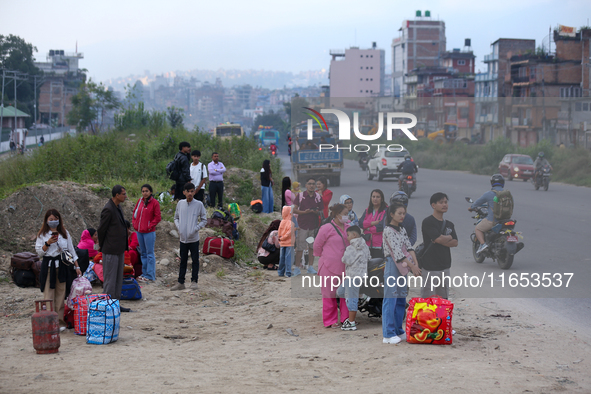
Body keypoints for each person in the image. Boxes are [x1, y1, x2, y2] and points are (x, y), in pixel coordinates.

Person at [35, 209, 81, 330]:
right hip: (48, 266)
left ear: (59, 220)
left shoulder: (64, 233)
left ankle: (60, 322)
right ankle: (49, 322)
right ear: (46, 220)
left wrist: (77, 266)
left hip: (62, 266)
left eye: (56, 219)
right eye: (51, 220)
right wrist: (48, 243)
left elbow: (71, 250)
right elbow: (39, 252)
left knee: (61, 294)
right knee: (48, 294)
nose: (53, 222)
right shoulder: (42, 234)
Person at [381, 203, 421, 344]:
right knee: (390, 298)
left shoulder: (402, 229)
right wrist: (413, 266)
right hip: (393, 264)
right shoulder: (388, 230)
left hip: (404, 266)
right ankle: (388, 333)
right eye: (399, 213)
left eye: (403, 213)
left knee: (401, 298)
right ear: (391, 214)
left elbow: (409, 247)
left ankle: (398, 329)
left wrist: (415, 264)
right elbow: (397, 253)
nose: (402, 216)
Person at [314, 203, 350, 328]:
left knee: (346, 293)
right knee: (329, 294)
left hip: (346, 267)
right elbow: (317, 246)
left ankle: (346, 319)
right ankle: (330, 320)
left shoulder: (349, 227)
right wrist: (325, 256)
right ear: (337, 214)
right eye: (345, 214)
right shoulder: (326, 228)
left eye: (347, 214)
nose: (347, 216)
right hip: (328, 266)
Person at [97, 185, 131, 312]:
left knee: (117, 278)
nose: (125, 196)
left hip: (119, 248)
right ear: (117, 195)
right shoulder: (108, 209)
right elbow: (101, 229)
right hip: (110, 249)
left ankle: (115, 303)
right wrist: (103, 244)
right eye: (123, 194)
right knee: (110, 279)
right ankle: (107, 304)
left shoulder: (117, 207)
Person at [421, 192, 458, 299]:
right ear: (433, 205)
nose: (444, 205)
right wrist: (448, 237)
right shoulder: (428, 222)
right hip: (430, 267)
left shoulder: (449, 224)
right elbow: (438, 239)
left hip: (445, 266)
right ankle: (428, 316)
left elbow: (455, 242)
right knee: (428, 298)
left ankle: (440, 316)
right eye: (441, 202)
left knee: (443, 299)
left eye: (446, 202)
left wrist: (442, 239)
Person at [172, 183, 207, 291]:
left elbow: (204, 220)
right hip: (183, 238)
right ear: (184, 192)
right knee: (183, 260)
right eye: (188, 191)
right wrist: (179, 227)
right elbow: (176, 218)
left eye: (192, 191)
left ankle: (194, 281)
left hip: (193, 238)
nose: (190, 193)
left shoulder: (199, 204)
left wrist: (195, 228)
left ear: (194, 192)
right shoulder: (180, 204)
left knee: (195, 260)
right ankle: (181, 282)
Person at [336, 225, 370, 331]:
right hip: (360, 276)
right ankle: (363, 296)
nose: (347, 237)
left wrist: (342, 257)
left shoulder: (350, 248)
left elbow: (346, 260)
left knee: (351, 300)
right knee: (341, 292)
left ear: (354, 234)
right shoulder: (365, 246)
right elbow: (369, 258)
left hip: (352, 277)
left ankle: (351, 323)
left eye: (348, 234)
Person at [293, 177, 323, 276]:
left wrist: (315, 212)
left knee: (311, 247)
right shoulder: (300, 196)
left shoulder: (318, 197)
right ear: (306, 185)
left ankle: (310, 267)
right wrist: (304, 212)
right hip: (302, 226)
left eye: (313, 184)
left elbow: (321, 211)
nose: (311, 185)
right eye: (309, 184)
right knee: (300, 247)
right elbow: (294, 210)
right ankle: (297, 268)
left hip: (313, 227)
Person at [132, 184, 161, 283]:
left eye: (147, 191)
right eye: (143, 191)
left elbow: (157, 217)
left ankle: (150, 275)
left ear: (151, 192)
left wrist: (150, 226)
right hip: (139, 231)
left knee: (149, 253)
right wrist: (135, 224)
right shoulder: (140, 201)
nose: (145, 193)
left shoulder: (155, 203)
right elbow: (134, 214)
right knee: (143, 253)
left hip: (149, 232)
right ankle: (144, 273)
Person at [469, 174, 505, 254]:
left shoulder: (489, 194)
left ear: (492, 183)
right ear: (503, 183)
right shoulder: (508, 194)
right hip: (505, 220)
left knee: (478, 229)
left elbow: (476, 203)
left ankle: (483, 244)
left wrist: (471, 208)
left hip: (493, 221)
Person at [359, 189, 388, 258]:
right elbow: (360, 223)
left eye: (378, 197)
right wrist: (372, 223)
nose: (375, 199)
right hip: (367, 244)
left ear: (382, 199)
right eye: (373, 196)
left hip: (379, 246)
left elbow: (380, 227)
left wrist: (367, 228)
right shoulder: (367, 210)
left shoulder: (386, 210)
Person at [277, 206, 295, 277]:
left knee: (282, 258)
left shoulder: (282, 222)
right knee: (288, 258)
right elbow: (289, 233)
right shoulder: (291, 223)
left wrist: (280, 238)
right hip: (289, 243)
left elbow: (279, 232)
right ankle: (288, 273)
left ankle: (280, 272)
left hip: (282, 243)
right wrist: (283, 238)